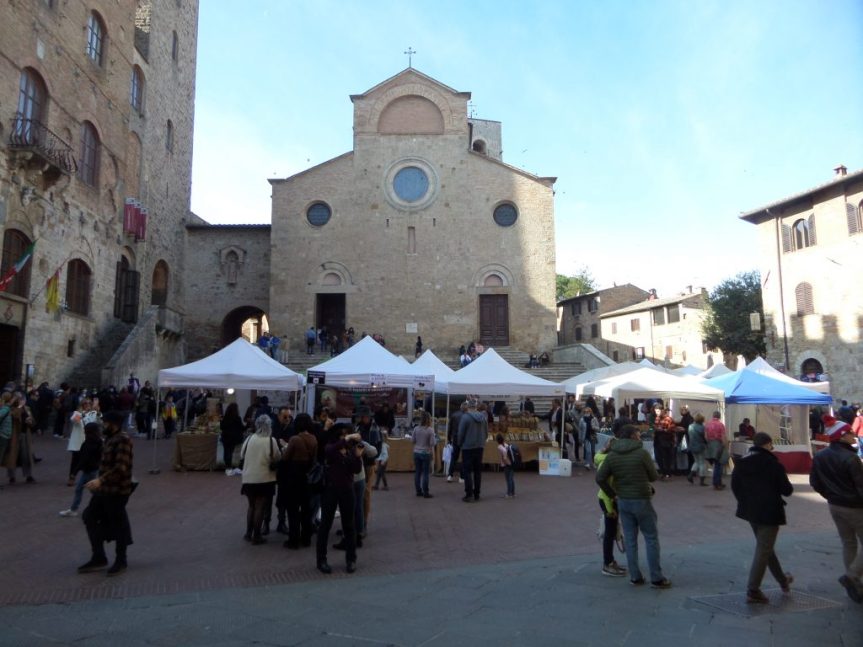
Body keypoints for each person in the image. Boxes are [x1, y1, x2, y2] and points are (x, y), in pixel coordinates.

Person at [595, 424, 671, 589]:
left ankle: (635, 577)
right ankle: (656, 577)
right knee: (651, 537)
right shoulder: (641, 453)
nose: (639, 437)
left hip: (623, 500)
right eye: (637, 435)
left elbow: (600, 478)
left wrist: (612, 494)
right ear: (631, 436)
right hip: (641, 499)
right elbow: (653, 476)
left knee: (630, 539)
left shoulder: (612, 455)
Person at [731, 432, 794, 603]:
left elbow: (735, 486)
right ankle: (753, 589)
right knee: (764, 549)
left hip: (750, 510)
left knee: (766, 547)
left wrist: (744, 501)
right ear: (767, 444)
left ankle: (782, 580)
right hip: (769, 511)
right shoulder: (773, 464)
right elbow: (787, 490)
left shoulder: (742, 462)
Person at [809, 414, 863, 603]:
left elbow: (815, 482)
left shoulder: (820, 456)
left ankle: (854, 583)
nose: (853, 435)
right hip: (854, 506)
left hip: (835, 505)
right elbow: (861, 486)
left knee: (848, 543)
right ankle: (852, 576)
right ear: (841, 435)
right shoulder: (851, 458)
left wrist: (829, 496)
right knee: (852, 542)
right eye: (849, 432)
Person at [78, 411, 134, 576]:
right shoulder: (110, 439)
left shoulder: (123, 440)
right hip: (104, 490)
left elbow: (121, 467)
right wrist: (98, 482)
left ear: (114, 424)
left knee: (118, 524)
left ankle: (121, 560)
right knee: (89, 516)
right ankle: (99, 556)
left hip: (117, 491)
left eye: (106, 422)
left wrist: (100, 480)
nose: (103, 425)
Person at [316, 424, 363, 574]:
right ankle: (321, 560)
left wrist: (358, 456)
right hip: (331, 490)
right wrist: (346, 439)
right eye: (342, 435)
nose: (345, 437)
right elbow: (329, 450)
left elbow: (356, 469)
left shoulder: (349, 449)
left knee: (349, 526)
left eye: (347, 434)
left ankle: (351, 559)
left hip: (347, 490)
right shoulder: (331, 447)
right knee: (325, 525)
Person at [239, 415, 279, 545]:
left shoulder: (249, 438)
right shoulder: (271, 440)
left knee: (251, 506)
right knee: (260, 507)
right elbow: (277, 457)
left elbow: (241, 455)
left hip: (248, 478)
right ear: (269, 426)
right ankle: (257, 536)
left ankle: (248, 533)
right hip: (264, 479)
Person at [282, 413, 318, 550]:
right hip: (308, 478)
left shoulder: (295, 439)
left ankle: (294, 539)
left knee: (293, 510)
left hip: (294, 477)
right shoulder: (314, 439)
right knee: (306, 509)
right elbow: (314, 459)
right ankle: (306, 538)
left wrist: (284, 448)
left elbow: (285, 458)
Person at [595, 438, 626, 576]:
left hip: (608, 499)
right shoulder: (608, 463)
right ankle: (608, 563)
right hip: (607, 500)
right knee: (609, 532)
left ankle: (610, 561)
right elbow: (605, 486)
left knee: (611, 531)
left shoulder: (604, 459)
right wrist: (609, 509)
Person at [60, 422, 103, 518]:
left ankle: (74, 509)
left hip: (89, 470)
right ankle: (75, 509)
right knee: (90, 490)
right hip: (93, 469)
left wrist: (74, 473)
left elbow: (82, 460)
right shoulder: (99, 442)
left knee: (87, 490)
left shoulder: (88, 443)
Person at [457, 400, 488, 503]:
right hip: (479, 447)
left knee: (467, 471)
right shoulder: (483, 417)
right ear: (476, 407)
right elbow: (486, 433)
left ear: (468, 407)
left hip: (468, 447)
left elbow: (460, 433)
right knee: (477, 471)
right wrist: (481, 441)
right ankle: (477, 493)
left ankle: (469, 494)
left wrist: (460, 443)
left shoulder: (465, 417)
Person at [413, 411, 436, 498]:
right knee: (425, 473)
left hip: (417, 452)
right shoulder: (430, 430)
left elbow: (413, 440)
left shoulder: (416, 429)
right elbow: (432, 443)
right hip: (426, 452)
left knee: (418, 472)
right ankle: (426, 492)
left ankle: (418, 491)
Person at [705, 411, 728, 490]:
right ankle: (717, 483)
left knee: (715, 464)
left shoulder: (708, 424)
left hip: (710, 444)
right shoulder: (721, 425)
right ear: (719, 416)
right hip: (718, 444)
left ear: (713, 416)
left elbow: (705, 436)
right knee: (719, 464)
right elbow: (723, 436)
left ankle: (717, 482)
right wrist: (725, 445)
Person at [220, 403, 245, 476]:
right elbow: (242, 428)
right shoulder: (237, 418)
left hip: (225, 437)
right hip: (234, 438)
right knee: (231, 453)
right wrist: (248, 425)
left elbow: (221, 427)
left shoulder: (225, 417)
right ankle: (230, 467)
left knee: (226, 452)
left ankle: (228, 467)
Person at [653, 408, 677, 480]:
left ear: (663, 411)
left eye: (658, 411)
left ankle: (667, 473)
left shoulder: (669, 419)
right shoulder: (657, 418)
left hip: (666, 441)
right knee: (658, 457)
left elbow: (672, 429)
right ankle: (663, 472)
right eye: (656, 411)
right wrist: (656, 429)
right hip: (657, 440)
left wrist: (663, 430)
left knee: (667, 458)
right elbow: (655, 427)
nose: (657, 413)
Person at [447, 401, 468, 483]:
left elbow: (450, 428)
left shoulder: (454, 415)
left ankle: (450, 475)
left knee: (454, 457)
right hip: (464, 439)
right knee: (464, 458)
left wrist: (449, 438)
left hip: (455, 438)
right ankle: (461, 477)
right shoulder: (467, 416)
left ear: (460, 407)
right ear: (466, 409)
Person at [686, 413, 709, 486]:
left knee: (696, 461)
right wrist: (707, 443)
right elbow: (705, 438)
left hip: (692, 446)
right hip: (700, 446)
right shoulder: (702, 427)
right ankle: (702, 480)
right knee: (702, 463)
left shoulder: (690, 426)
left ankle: (690, 475)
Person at [496, 433, 515, 498]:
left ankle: (509, 493)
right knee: (511, 479)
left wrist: (506, 463)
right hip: (512, 463)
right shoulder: (506, 445)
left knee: (508, 479)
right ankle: (513, 493)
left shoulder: (499, 447)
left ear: (497, 440)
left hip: (506, 464)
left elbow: (504, 458)